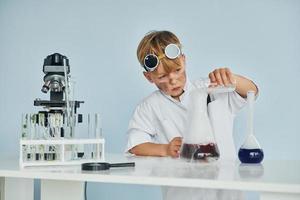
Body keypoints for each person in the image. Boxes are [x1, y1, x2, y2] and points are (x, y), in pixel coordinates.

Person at [126, 30, 258, 160]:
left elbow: (252, 91)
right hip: (179, 179)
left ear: (183, 60)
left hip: (224, 175)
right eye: (162, 76)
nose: (173, 80)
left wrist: (231, 79)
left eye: (177, 70)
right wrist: (165, 149)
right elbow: (136, 145)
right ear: (149, 77)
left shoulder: (212, 87)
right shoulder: (149, 106)